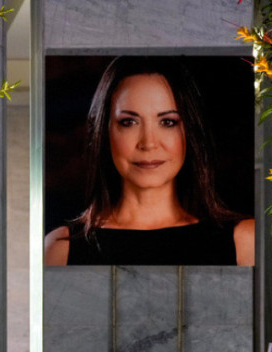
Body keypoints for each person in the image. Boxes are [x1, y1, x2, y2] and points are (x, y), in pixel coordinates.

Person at [44, 56, 255, 266]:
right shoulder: (60, 250)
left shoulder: (244, 242)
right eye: (129, 122)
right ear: (105, 132)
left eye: (167, 122)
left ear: (189, 131)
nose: (149, 143)